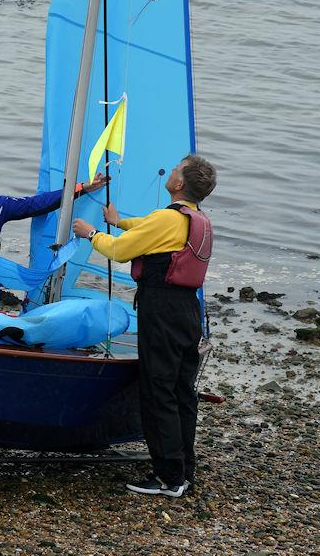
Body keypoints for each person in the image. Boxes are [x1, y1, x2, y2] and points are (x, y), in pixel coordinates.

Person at [73, 154, 216, 498]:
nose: (171, 170)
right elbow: (147, 229)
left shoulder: (169, 219)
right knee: (182, 392)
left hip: (163, 311)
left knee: (158, 391)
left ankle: (169, 478)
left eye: (177, 169)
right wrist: (119, 220)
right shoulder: (195, 218)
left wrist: (90, 232)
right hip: (187, 313)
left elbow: (120, 252)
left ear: (179, 184)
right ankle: (183, 469)